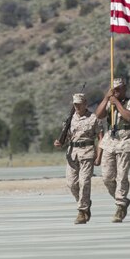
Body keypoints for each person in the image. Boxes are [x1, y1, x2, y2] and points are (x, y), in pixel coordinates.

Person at [53, 93, 103, 224]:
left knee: (84, 182)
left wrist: (99, 156)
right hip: (72, 154)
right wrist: (59, 143)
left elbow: (100, 138)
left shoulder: (93, 118)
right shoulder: (69, 120)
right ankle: (84, 202)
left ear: (85, 103)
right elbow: (65, 138)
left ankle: (82, 211)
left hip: (87, 153)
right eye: (75, 104)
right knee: (72, 184)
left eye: (79, 104)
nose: (77, 107)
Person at [95, 78, 130, 222]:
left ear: (124, 89)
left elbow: (129, 117)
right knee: (107, 177)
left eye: (119, 89)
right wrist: (107, 98)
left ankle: (120, 206)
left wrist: (117, 103)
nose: (117, 91)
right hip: (110, 141)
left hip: (125, 141)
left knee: (122, 175)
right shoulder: (110, 102)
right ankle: (121, 199)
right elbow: (99, 115)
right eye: (115, 89)